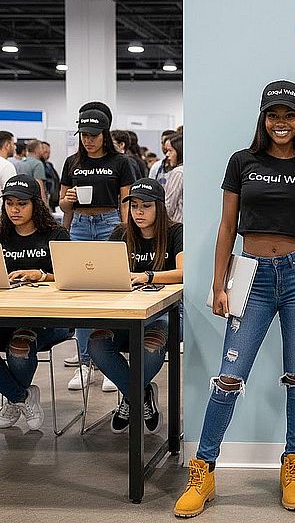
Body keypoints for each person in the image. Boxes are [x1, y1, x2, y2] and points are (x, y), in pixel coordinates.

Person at [174, 80, 295, 518]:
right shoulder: (243, 162)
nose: (281, 122)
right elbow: (227, 225)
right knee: (228, 377)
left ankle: (292, 468)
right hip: (250, 277)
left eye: (289, 115)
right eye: (274, 114)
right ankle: (204, 471)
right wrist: (218, 285)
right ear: (263, 118)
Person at [88, 177, 183, 433]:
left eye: (146, 206)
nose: (139, 212)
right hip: (125, 312)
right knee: (96, 344)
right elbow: (105, 271)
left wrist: (148, 276)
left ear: (159, 207)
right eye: (134, 206)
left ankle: (131, 398)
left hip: (165, 312)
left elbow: (183, 272)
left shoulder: (176, 232)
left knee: (151, 346)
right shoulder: (120, 233)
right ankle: (139, 395)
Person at [59, 105, 135, 391]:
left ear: (104, 134)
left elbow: (126, 201)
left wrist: (125, 232)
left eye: (93, 135)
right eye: (84, 135)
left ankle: (107, 361)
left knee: (109, 291)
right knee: (79, 293)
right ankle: (85, 362)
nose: (88, 140)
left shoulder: (120, 162)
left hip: (109, 224)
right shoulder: (72, 162)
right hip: (79, 225)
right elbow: (62, 205)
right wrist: (67, 201)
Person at [0, 175, 71, 431]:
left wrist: (41, 275)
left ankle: (13, 399)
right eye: (9, 203)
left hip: (49, 318)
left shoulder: (55, 234)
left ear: (35, 204)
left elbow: (71, 276)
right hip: (7, 315)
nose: (14, 210)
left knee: (19, 347)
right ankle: (20, 396)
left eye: (21, 204)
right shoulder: (1, 234)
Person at [18, 139, 48, 204]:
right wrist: (44, 203)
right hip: (33, 199)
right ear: (37, 149)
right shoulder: (38, 164)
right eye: (41, 148)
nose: (43, 150)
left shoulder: (20, 163)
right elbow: (39, 185)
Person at [163, 133, 183, 223]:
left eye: (170, 150)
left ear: (179, 151)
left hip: (176, 223)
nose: (167, 154)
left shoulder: (178, 172)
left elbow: (169, 205)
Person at [40, 141, 61, 212]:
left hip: (53, 200)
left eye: (48, 152)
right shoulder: (38, 166)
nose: (47, 153)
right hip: (45, 199)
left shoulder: (49, 165)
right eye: (45, 151)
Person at [0, 131, 17, 205]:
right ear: (7, 145)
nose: (15, 147)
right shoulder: (6, 165)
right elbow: (12, 193)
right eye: (13, 144)